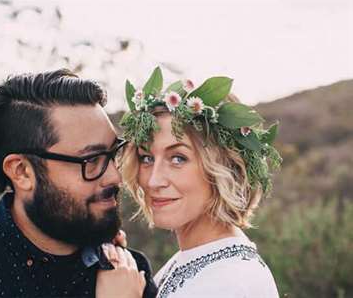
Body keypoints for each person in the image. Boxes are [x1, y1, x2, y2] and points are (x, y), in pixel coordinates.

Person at [0, 69, 157, 298]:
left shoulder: (129, 274)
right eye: (91, 160)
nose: (115, 177)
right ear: (22, 171)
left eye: (113, 154)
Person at [99, 67, 282, 297]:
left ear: (223, 168)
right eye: (146, 158)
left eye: (178, 158)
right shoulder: (193, 259)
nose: (153, 180)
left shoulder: (230, 282)